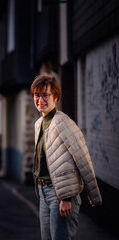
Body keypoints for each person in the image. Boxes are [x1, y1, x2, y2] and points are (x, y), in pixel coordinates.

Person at [30, 73, 102, 240]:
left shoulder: (63, 123)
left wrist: (67, 198)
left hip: (61, 195)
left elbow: (81, 159)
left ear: (55, 96)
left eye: (45, 95)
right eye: (37, 95)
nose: (40, 99)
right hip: (44, 192)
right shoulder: (39, 124)